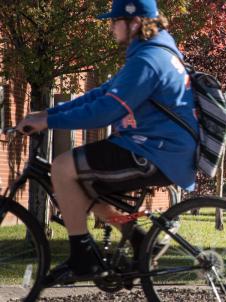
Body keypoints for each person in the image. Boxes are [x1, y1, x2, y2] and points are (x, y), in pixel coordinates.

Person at [17, 0, 197, 284]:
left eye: (115, 21)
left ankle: (83, 259)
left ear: (135, 22)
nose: (111, 27)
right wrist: (46, 114)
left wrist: (49, 122)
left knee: (63, 168)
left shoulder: (148, 61)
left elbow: (105, 111)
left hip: (154, 152)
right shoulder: (152, 52)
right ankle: (136, 238)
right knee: (77, 183)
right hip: (152, 147)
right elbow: (100, 94)